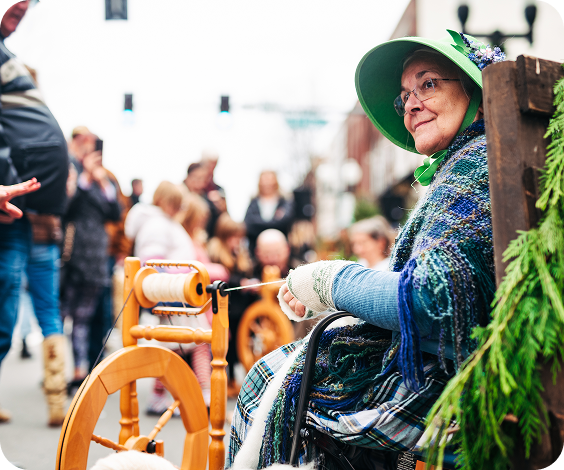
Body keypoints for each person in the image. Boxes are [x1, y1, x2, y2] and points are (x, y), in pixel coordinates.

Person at [227, 30, 502, 469]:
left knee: (270, 381)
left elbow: (430, 300)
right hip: (442, 369)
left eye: (428, 84)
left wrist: (330, 280)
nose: (411, 104)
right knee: (279, 372)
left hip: (448, 385)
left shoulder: (476, 166)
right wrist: (329, 294)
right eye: (404, 96)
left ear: (474, 92)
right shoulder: (468, 164)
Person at [1, 0, 69, 426]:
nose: (27, 5)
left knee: (24, 307)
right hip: (16, 211)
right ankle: (57, 398)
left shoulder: (11, 63)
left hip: (36, 214)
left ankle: (58, 398)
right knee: (15, 309)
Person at [124, 181, 215, 413]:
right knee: (199, 341)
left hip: (176, 292)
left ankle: (161, 395)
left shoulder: (162, 223)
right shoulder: (157, 226)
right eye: (175, 203)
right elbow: (152, 265)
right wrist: (179, 280)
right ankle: (202, 391)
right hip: (173, 292)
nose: (179, 208)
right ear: (164, 201)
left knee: (173, 345)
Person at [61, 130, 121, 388]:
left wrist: (102, 182)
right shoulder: (75, 174)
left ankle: (80, 369)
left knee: (84, 316)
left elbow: (116, 213)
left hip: (96, 256)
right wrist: (85, 178)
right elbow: (67, 208)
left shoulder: (106, 181)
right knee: (63, 313)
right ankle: (59, 367)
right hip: (74, 255)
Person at [207, 213, 255, 397]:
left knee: (236, 346)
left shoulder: (240, 254)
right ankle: (223, 380)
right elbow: (222, 279)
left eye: (239, 237)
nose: (236, 241)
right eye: (233, 237)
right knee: (224, 346)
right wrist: (242, 283)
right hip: (225, 307)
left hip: (240, 310)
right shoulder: (216, 253)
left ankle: (234, 379)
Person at [244, 170, 294, 259]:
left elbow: (286, 222)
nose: (267, 183)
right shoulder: (254, 202)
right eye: (264, 180)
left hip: (279, 251)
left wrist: (259, 223)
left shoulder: (285, 201)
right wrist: (274, 221)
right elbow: (248, 224)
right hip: (256, 250)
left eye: (269, 179)